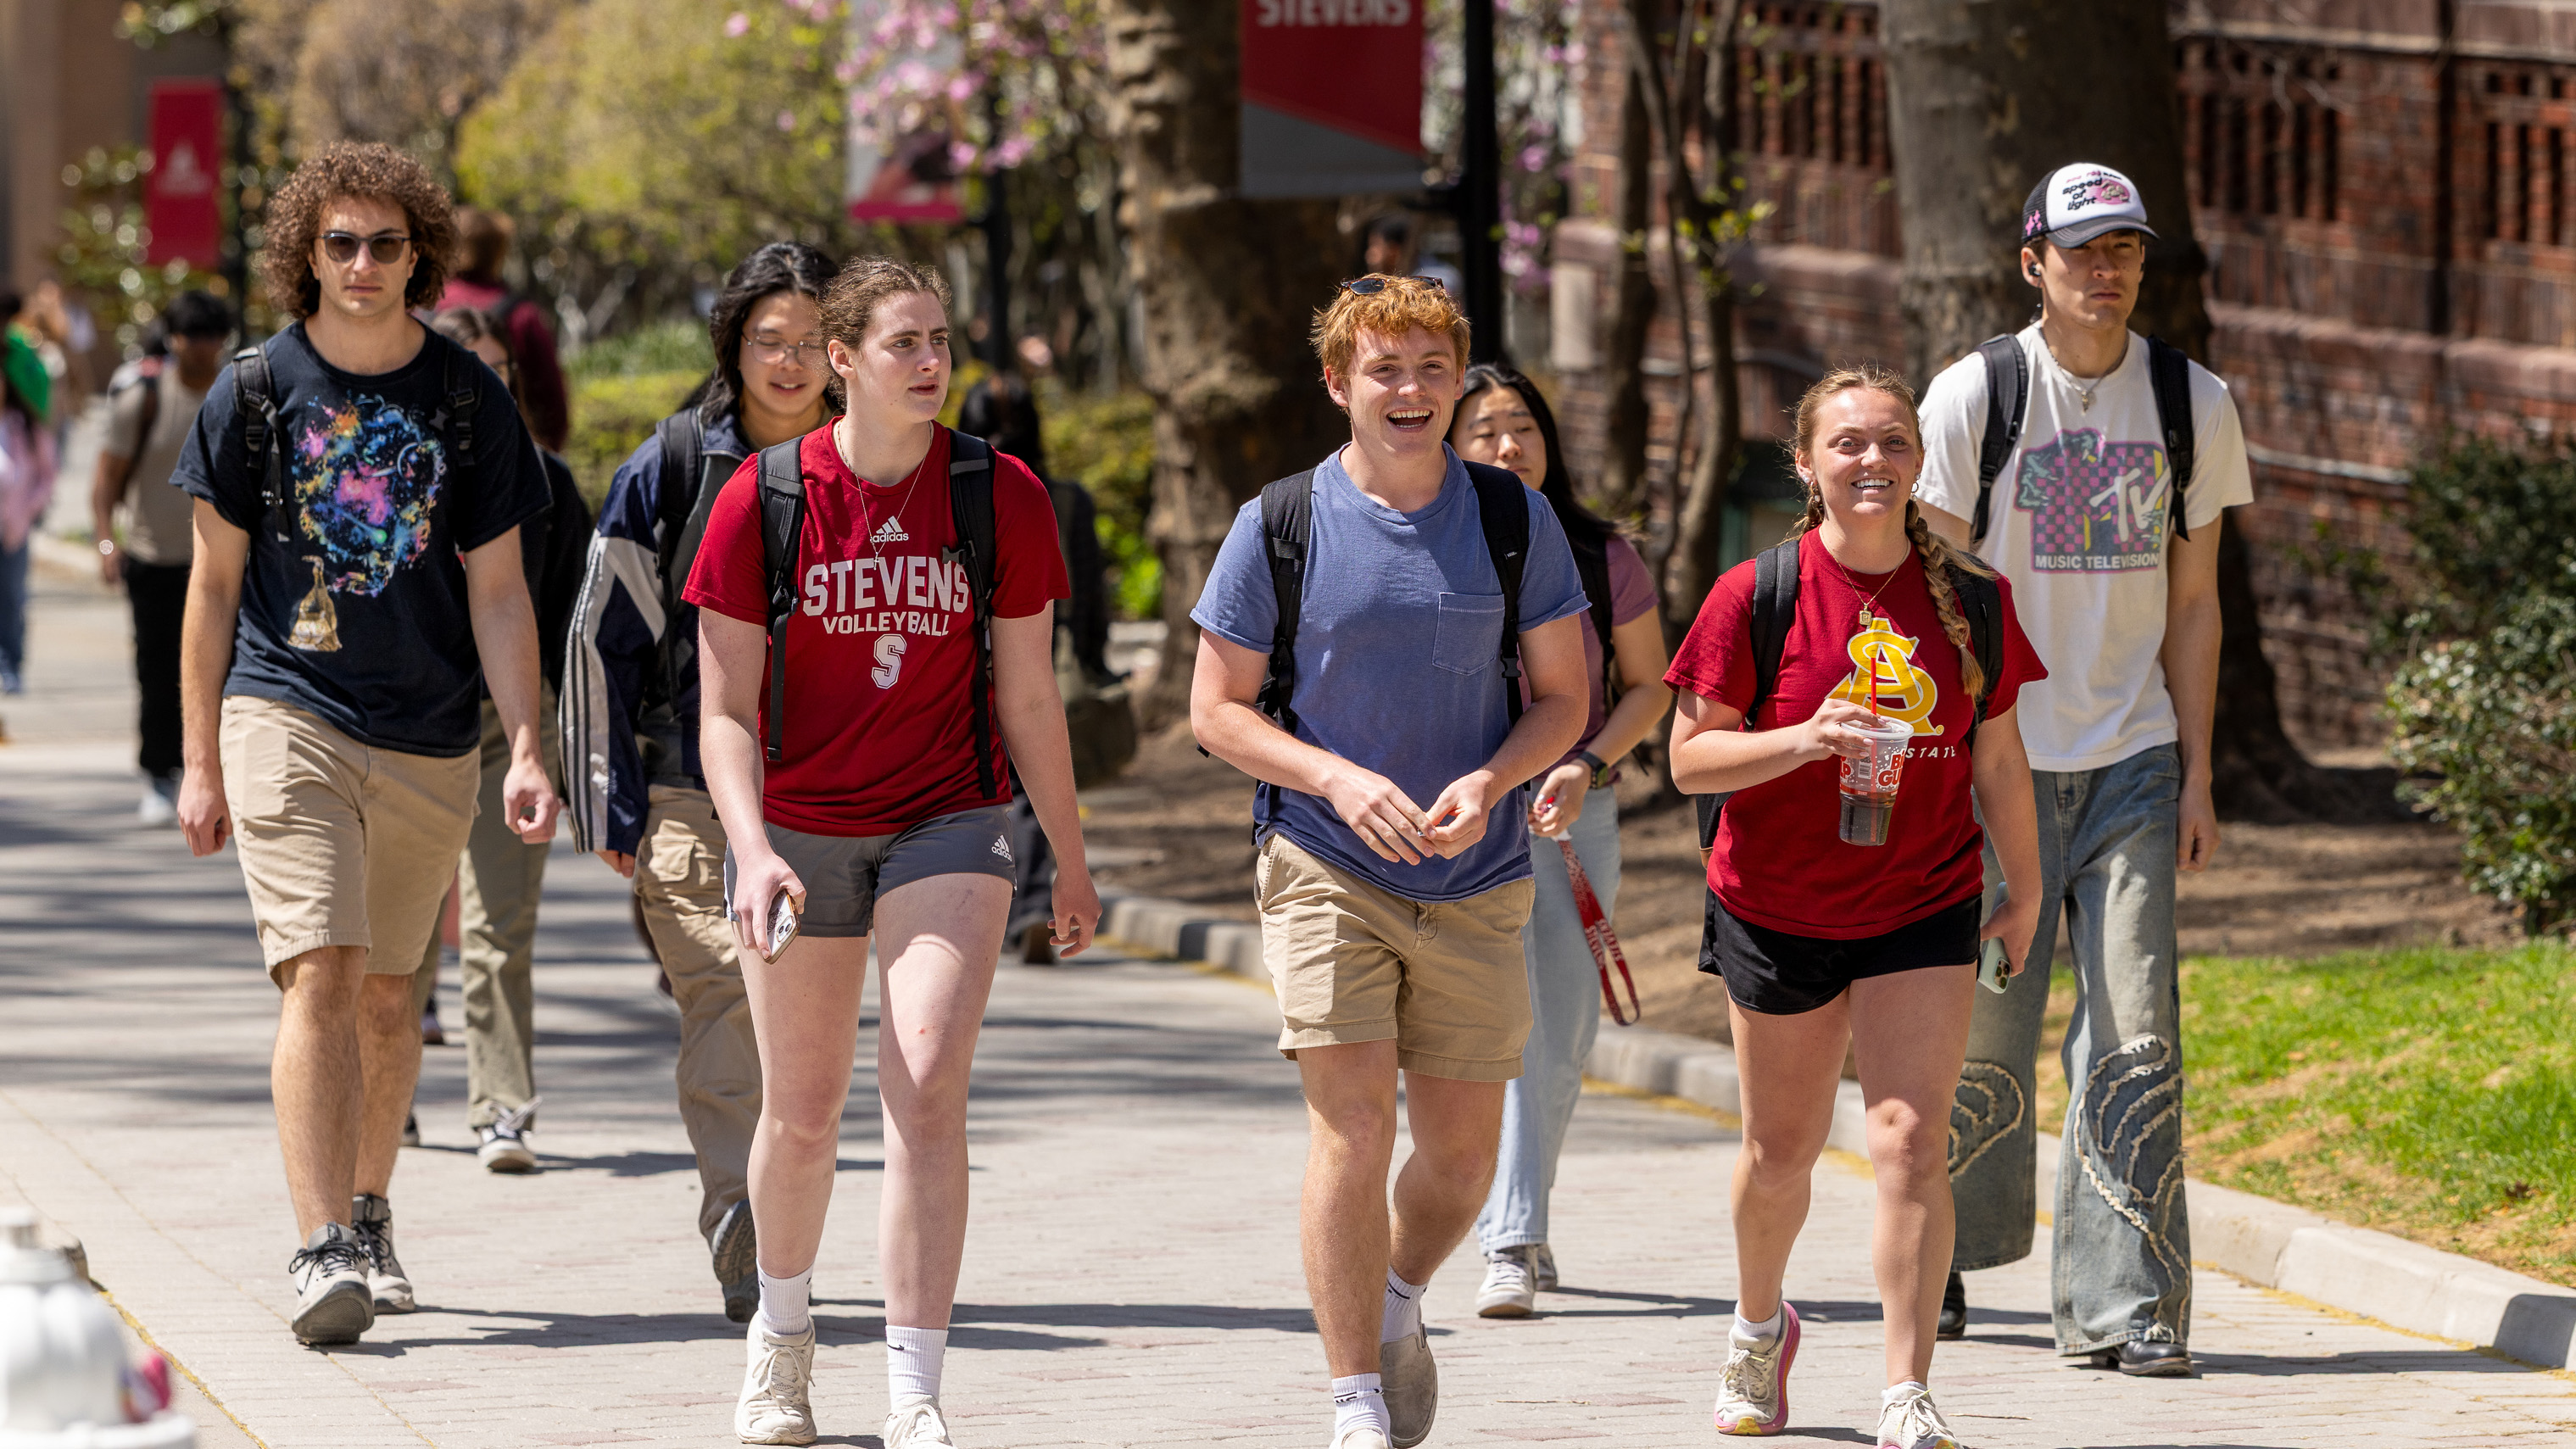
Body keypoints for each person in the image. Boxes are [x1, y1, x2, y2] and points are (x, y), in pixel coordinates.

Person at [684, 255, 1100, 1448]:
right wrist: (750, 848)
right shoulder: (760, 499)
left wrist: (1067, 857)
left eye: (941, 343)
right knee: (804, 1113)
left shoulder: (995, 493)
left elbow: (1029, 698)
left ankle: (914, 1386)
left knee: (923, 1082)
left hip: (947, 818)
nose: (931, 364)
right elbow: (720, 710)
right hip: (799, 828)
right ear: (841, 362)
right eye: (904, 343)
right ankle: (781, 1340)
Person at [1190, 276, 1589, 1449]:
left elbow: (1566, 697)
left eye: (1429, 368)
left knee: (1461, 1158)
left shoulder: (1513, 518)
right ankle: (1352, 1397)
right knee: (1353, 1129)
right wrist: (1333, 778)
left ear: (1455, 380)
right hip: (1322, 860)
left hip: (1474, 871)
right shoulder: (1280, 520)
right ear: (1338, 383)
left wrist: (1493, 778)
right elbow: (1216, 710)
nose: (1409, 390)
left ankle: (1398, 1294)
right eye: (1383, 369)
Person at [170, 142, 558, 1346]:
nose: (361, 263)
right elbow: (211, 588)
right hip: (284, 708)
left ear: (419, 257)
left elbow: (500, 592)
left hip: (433, 735)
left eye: (385, 243)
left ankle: (372, 1207)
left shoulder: (464, 399)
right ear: (305, 253)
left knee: (392, 999)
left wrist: (529, 747)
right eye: (338, 241)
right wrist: (197, 759)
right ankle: (320, 1241)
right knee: (322, 973)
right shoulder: (251, 391)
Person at [1666, 364, 2045, 1449]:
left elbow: (2001, 756)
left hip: (1921, 897)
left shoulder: (1970, 597)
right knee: (1778, 1150)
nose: (1870, 461)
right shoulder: (1755, 592)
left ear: (1919, 459)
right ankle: (1755, 1324)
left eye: (1890, 441)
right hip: (1774, 903)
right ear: (1806, 464)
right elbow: (1690, 761)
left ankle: (1903, 1385)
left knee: (1910, 1140)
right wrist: (1803, 738)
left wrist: (2021, 888)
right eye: (1846, 444)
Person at [1915, 161, 2250, 1375]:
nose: (2103, 270)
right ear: (2032, 263)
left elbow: (2197, 603)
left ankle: (2127, 1308)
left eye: (2123, 251)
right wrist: (1944, 765)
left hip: (2133, 761)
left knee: (2134, 1025)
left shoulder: (2188, 398)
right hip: (1995, 764)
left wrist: (2198, 769)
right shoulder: (1975, 396)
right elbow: (1929, 596)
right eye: (2081, 249)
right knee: (1984, 1031)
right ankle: (1942, 1244)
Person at [560, 240, 837, 1319]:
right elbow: (596, 637)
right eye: (770, 339)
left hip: (833, 791)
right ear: (733, 345)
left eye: (812, 342)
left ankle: (775, 1214)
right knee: (726, 989)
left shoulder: (884, 466)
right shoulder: (671, 467)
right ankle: (744, 1218)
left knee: (803, 1018)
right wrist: (606, 795)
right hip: (688, 789)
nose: (790, 361)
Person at [1444, 363, 1670, 1318]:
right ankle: (1509, 1234)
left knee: (1566, 1030)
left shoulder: (1599, 552)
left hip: (1577, 811)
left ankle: (1518, 1208)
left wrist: (1588, 762)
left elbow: (1651, 685)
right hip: (1462, 822)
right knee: (1514, 1025)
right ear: (1451, 448)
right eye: (1485, 429)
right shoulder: (1430, 545)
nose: (1506, 444)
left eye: (1521, 425)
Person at [403, 304, 591, 1173]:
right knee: (393, 927)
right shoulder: (390, 476)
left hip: (509, 724)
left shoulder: (547, 484)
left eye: (493, 373)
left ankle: (502, 1107)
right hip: (399, 722)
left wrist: (557, 739)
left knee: (499, 924)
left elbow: (573, 620)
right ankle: (387, 1091)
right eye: (456, 370)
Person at [955, 371, 1118, 965]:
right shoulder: (1060, 495)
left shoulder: (952, 490)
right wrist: (1095, 659)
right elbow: (1088, 590)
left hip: (960, 661)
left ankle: (998, 900)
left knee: (981, 783)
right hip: (1039, 656)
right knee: (1031, 782)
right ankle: (1029, 904)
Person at [94, 291, 234, 823]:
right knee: (157, 672)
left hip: (224, 564)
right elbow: (104, 484)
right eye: (189, 337)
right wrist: (108, 548)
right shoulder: (144, 399)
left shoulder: (237, 396)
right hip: (155, 562)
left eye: (210, 336)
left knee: (227, 672)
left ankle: (219, 772)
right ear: (172, 339)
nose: (200, 348)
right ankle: (158, 773)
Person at [439, 207, 568, 453]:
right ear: (500, 250)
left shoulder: (417, 310)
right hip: (510, 456)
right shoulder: (523, 316)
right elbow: (553, 405)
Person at [0, 321, 57, 698]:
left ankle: (12, 662)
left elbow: (46, 476)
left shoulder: (24, 426)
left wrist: (28, 513)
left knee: (12, 597)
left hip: (14, 528)